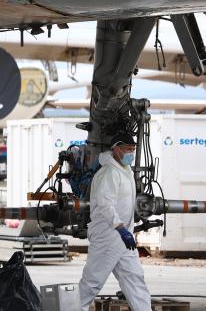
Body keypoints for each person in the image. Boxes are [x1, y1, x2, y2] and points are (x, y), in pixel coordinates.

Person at [78, 133, 151, 311]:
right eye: (128, 150)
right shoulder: (109, 173)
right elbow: (105, 204)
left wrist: (126, 231)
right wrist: (120, 228)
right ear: (116, 149)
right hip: (108, 236)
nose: (131, 154)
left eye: (133, 150)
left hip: (124, 238)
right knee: (92, 282)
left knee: (135, 279)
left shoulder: (124, 171)